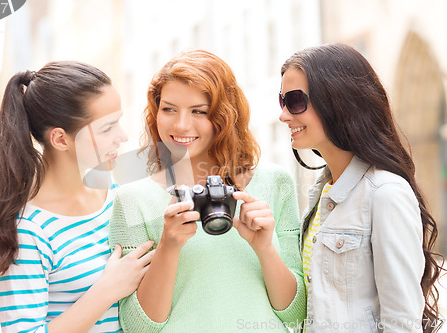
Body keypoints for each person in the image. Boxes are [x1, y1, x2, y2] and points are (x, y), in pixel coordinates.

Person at [109, 49, 306, 332]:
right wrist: (168, 246)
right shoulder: (131, 200)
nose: (180, 125)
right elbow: (136, 327)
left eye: (198, 111)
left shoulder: (276, 182)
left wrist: (265, 249)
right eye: (168, 109)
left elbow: (296, 315)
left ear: (224, 116)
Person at [278, 43, 444, 332]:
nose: (284, 115)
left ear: (337, 100)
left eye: (294, 101)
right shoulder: (321, 195)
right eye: (282, 101)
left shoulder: (385, 193)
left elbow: (401, 323)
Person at [0, 61, 155, 333]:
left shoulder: (114, 192)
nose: (122, 137)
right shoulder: (31, 230)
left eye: (118, 122)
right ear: (60, 139)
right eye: (107, 128)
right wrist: (106, 291)